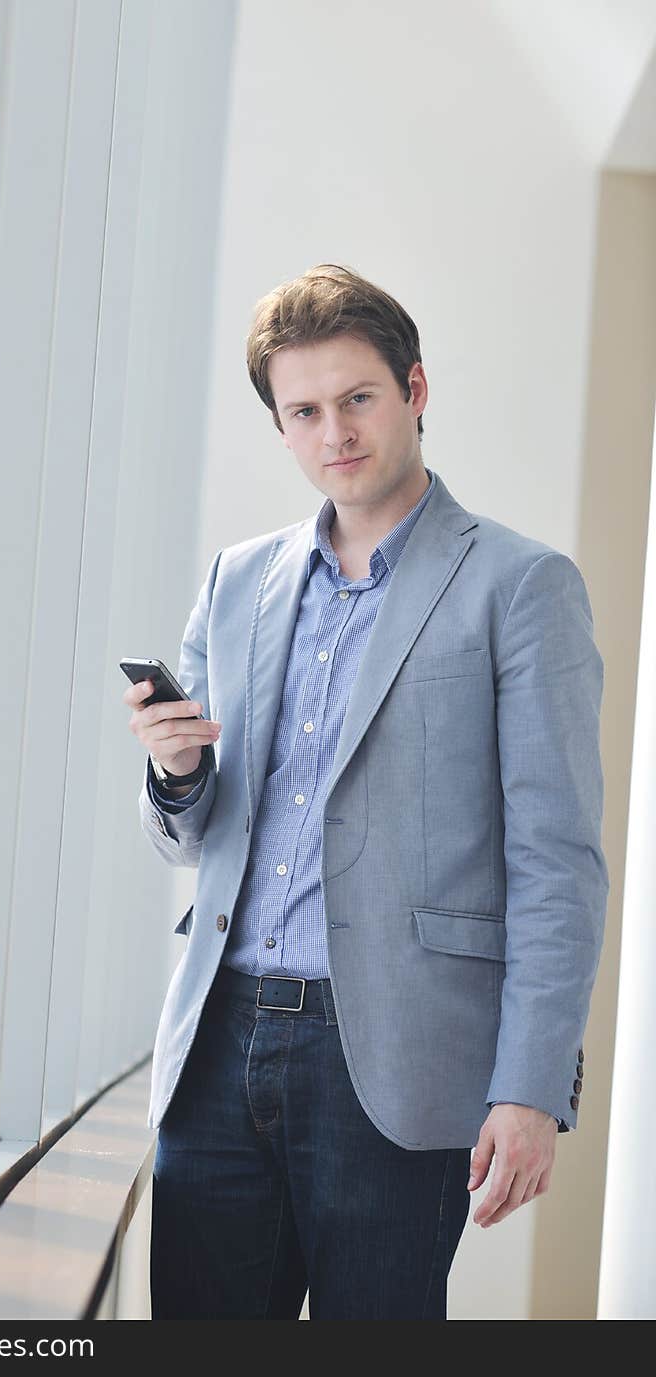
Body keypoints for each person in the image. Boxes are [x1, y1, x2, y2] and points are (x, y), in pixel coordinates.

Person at [123, 263, 608, 1320]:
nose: (334, 431)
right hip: (217, 1046)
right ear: (281, 427)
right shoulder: (236, 580)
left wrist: (530, 1087)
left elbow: (556, 862)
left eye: (357, 398)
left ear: (415, 390)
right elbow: (189, 839)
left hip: (393, 1065)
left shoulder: (521, 587)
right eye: (304, 411)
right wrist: (176, 770)